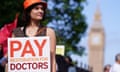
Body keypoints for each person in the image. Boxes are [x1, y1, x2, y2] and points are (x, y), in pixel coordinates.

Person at [12, 0, 56, 72]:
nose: (41, 11)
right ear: (28, 12)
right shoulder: (16, 33)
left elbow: (53, 60)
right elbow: (13, 61)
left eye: (42, 9)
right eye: (36, 8)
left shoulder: (49, 32)